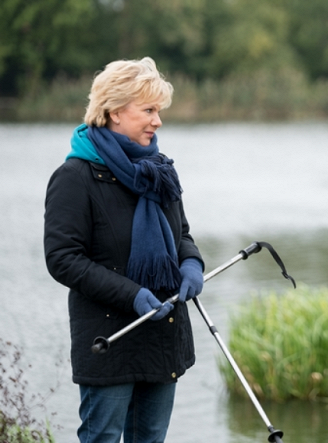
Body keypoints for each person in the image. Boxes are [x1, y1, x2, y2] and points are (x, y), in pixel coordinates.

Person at [44, 57, 205, 443]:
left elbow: (180, 232)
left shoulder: (160, 170)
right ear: (115, 110)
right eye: (148, 110)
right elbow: (63, 259)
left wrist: (191, 263)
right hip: (108, 338)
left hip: (163, 333)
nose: (158, 121)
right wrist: (132, 295)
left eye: (159, 111)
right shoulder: (75, 177)